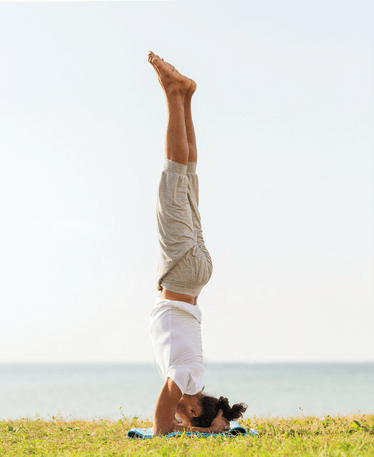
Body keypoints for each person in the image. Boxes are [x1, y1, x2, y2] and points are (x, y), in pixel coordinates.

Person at [148, 51, 247, 436]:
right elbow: (164, 412)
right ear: (191, 410)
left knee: (186, 177)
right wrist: (164, 436)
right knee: (175, 175)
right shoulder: (187, 381)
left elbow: (181, 414)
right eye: (184, 417)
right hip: (184, 275)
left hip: (197, 274)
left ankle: (184, 95)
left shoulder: (196, 378)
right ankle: (174, 94)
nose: (177, 416)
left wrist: (201, 429)